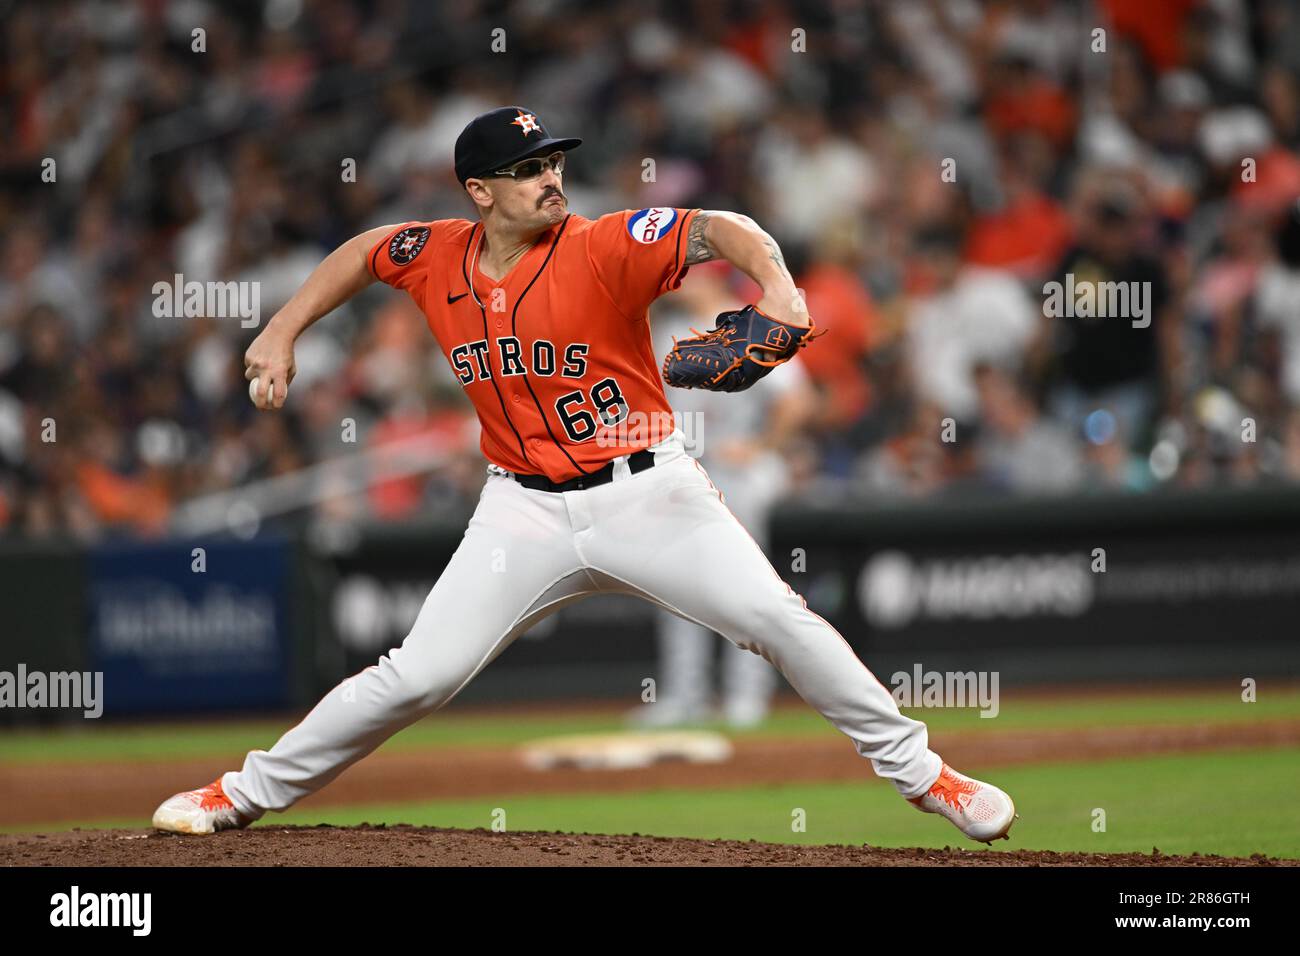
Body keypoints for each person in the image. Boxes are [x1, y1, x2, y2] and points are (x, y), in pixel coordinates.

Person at [152, 106, 1017, 845]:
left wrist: (782, 290)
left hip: (648, 491)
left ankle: (929, 777)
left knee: (775, 620)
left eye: (554, 162)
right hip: (520, 511)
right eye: (526, 169)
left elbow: (721, 227)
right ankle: (239, 795)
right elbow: (369, 248)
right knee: (416, 675)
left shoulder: (605, 245)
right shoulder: (435, 254)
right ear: (478, 192)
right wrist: (282, 328)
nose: (550, 179)